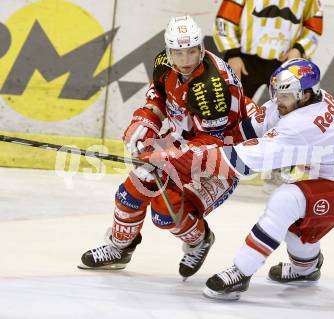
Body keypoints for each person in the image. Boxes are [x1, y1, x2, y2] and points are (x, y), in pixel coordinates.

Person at [140, 59, 334, 299]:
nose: (277, 100)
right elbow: (247, 130)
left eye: (284, 95)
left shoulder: (302, 124)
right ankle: (306, 269)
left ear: (305, 95)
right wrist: (198, 142)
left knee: (287, 200)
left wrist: (180, 158)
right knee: (297, 230)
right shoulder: (306, 100)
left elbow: (241, 162)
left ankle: (241, 272)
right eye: (276, 92)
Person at [78, 15, 253, 280]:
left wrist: (166, 156)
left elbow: (212, 143)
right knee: (132, 190)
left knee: (166, 212)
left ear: (201, 50)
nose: (185, 60)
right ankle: (119, 247)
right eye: (178, 53)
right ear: (169, 51)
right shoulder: (163, 62)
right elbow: (159, 96)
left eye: (191, 52)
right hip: (184, 139)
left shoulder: (211, 88)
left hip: (222, 155)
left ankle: (199, 240)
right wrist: (145, 121)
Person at [213, 0, 323, 99]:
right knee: (232, 109)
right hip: (244, 61)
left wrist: (299, 49)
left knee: (289, 113)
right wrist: (232, 54)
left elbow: (314, 26)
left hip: (285, 62)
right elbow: (224, 20)